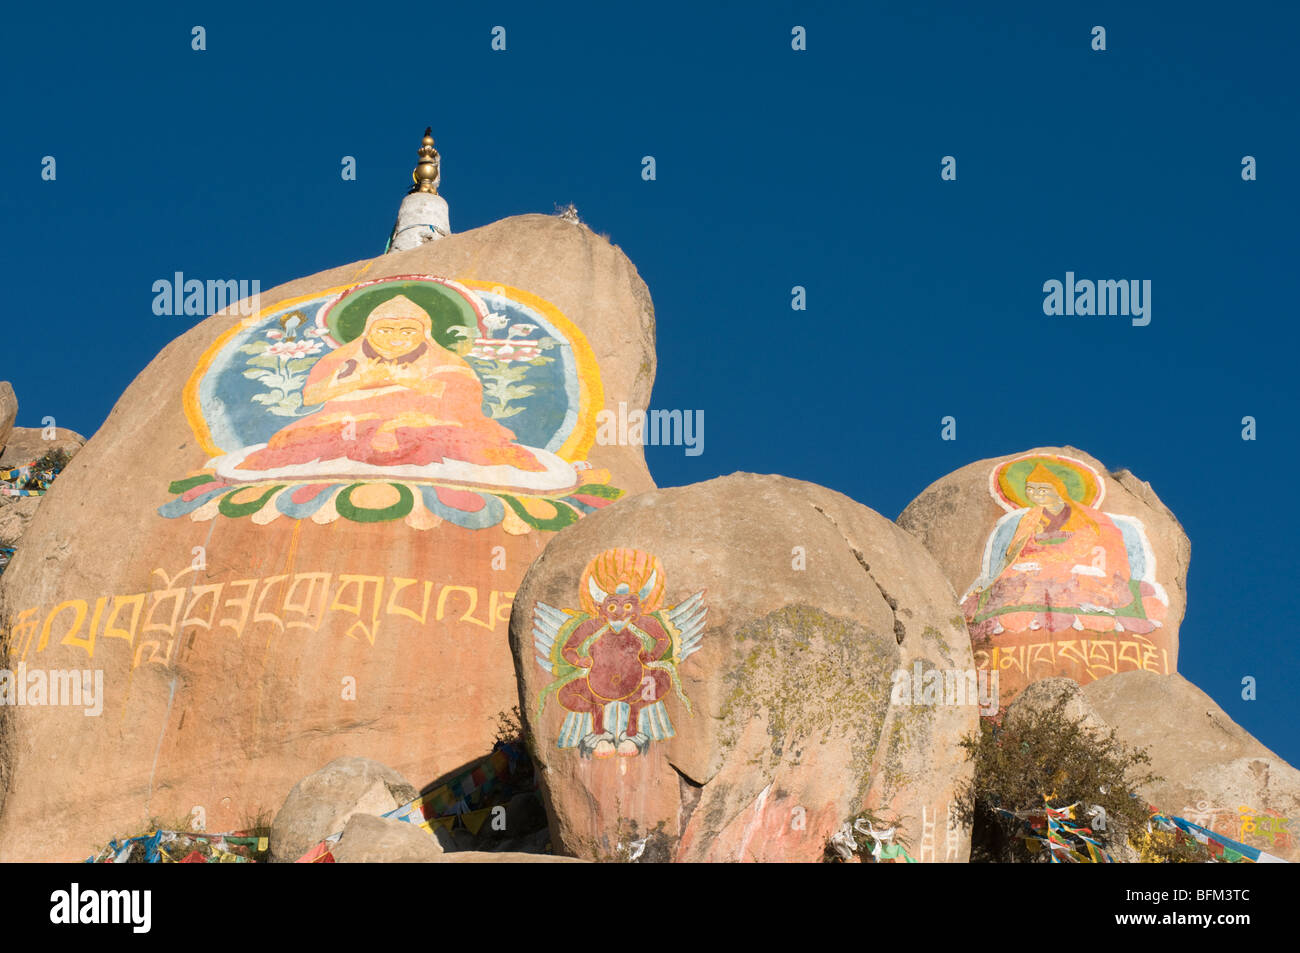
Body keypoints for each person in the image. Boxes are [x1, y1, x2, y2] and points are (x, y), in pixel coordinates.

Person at [236, 294, 545, 473]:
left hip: (423, 420)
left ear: (423, 334)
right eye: (385, 330)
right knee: (298, 441)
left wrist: (416, 384)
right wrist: (361, 380)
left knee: (444, 437)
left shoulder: (445, 361)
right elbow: (311, 396)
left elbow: (464, 399)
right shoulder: (346, 360)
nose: (396, 338)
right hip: (343, 420)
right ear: (369, 332)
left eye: (407, 331)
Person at [962, 463, 1157, 636]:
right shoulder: (1030, 519)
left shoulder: (1084, 515)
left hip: (1077, 565)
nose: (1036, 494)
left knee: (1072, 579)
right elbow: (1016, 552)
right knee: (1009, 581)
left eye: (1043, 489)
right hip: (1036, 568)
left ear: (1058, 490)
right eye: (1030, 490)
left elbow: (1096, 540)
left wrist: (1058, 556)